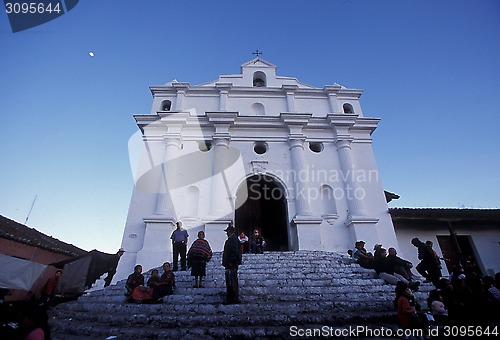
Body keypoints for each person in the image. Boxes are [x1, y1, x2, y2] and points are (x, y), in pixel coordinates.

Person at [222, 224, 242, 304]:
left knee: (231, 281)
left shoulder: (232, 239)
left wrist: (231, 261)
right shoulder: (233, 239)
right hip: (230, 263)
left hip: (231, 264)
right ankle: (232, 297)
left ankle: (232, 298)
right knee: (231, 280)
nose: (227, 233)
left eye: (228, 231)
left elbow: (234, 251)